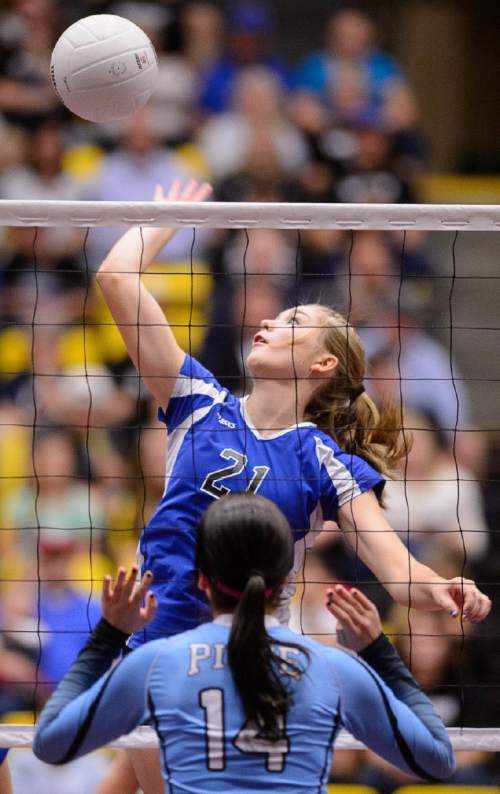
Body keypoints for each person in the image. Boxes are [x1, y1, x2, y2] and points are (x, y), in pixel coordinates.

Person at [94, 178, 489, 793]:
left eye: (293, 322)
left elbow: (397, 568)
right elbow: (117, 279)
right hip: (160, 645)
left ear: (322, 364)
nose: (270, 321)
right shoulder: (196, 401)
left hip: (253, 660)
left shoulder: (321, 460)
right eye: (277, 316)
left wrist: (443, 589)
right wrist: (165, 215)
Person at [34, 493, 456, 792]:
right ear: (286, 581)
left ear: (200, 580)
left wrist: (110, 633)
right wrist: (379, 651)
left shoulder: (156, 663)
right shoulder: (334, 667)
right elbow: (437, 758)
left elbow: (51, 742)